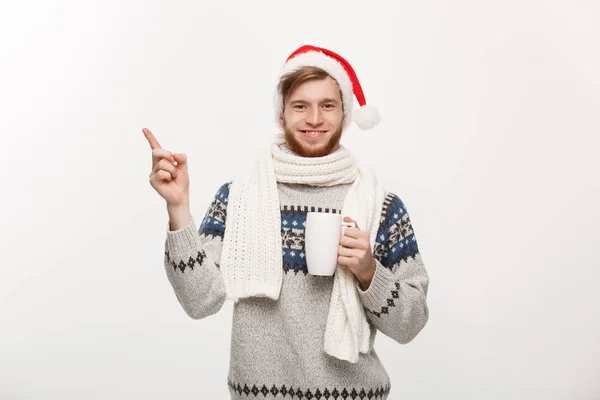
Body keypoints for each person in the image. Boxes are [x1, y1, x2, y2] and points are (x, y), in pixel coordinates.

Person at [143, 44, 429, 400]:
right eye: (300, 106)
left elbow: (411, 324)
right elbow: (201, 301)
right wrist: (179, 209)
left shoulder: (381, 206)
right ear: (282, 115)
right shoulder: (239, 198)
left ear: (345, 114)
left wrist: (370, 271)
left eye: (327, 105)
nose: (314, 119)